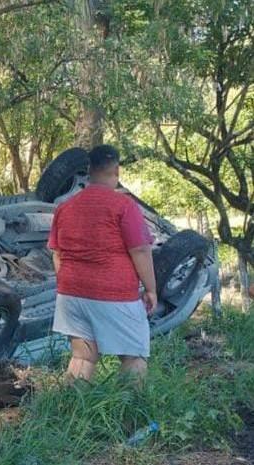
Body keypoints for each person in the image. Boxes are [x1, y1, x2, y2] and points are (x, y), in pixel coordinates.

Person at [47, 144, 156, 381]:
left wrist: (68, 286)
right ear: (116, 170)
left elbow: (57, 254)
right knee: (133, 356)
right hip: (114, 293)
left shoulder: (65, 207)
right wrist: (150, 289)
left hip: (71, 295)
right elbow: (140, 250)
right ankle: (132, 416)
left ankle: (71, 414)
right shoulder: (124, 206)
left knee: (82, 358)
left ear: (89, 169)